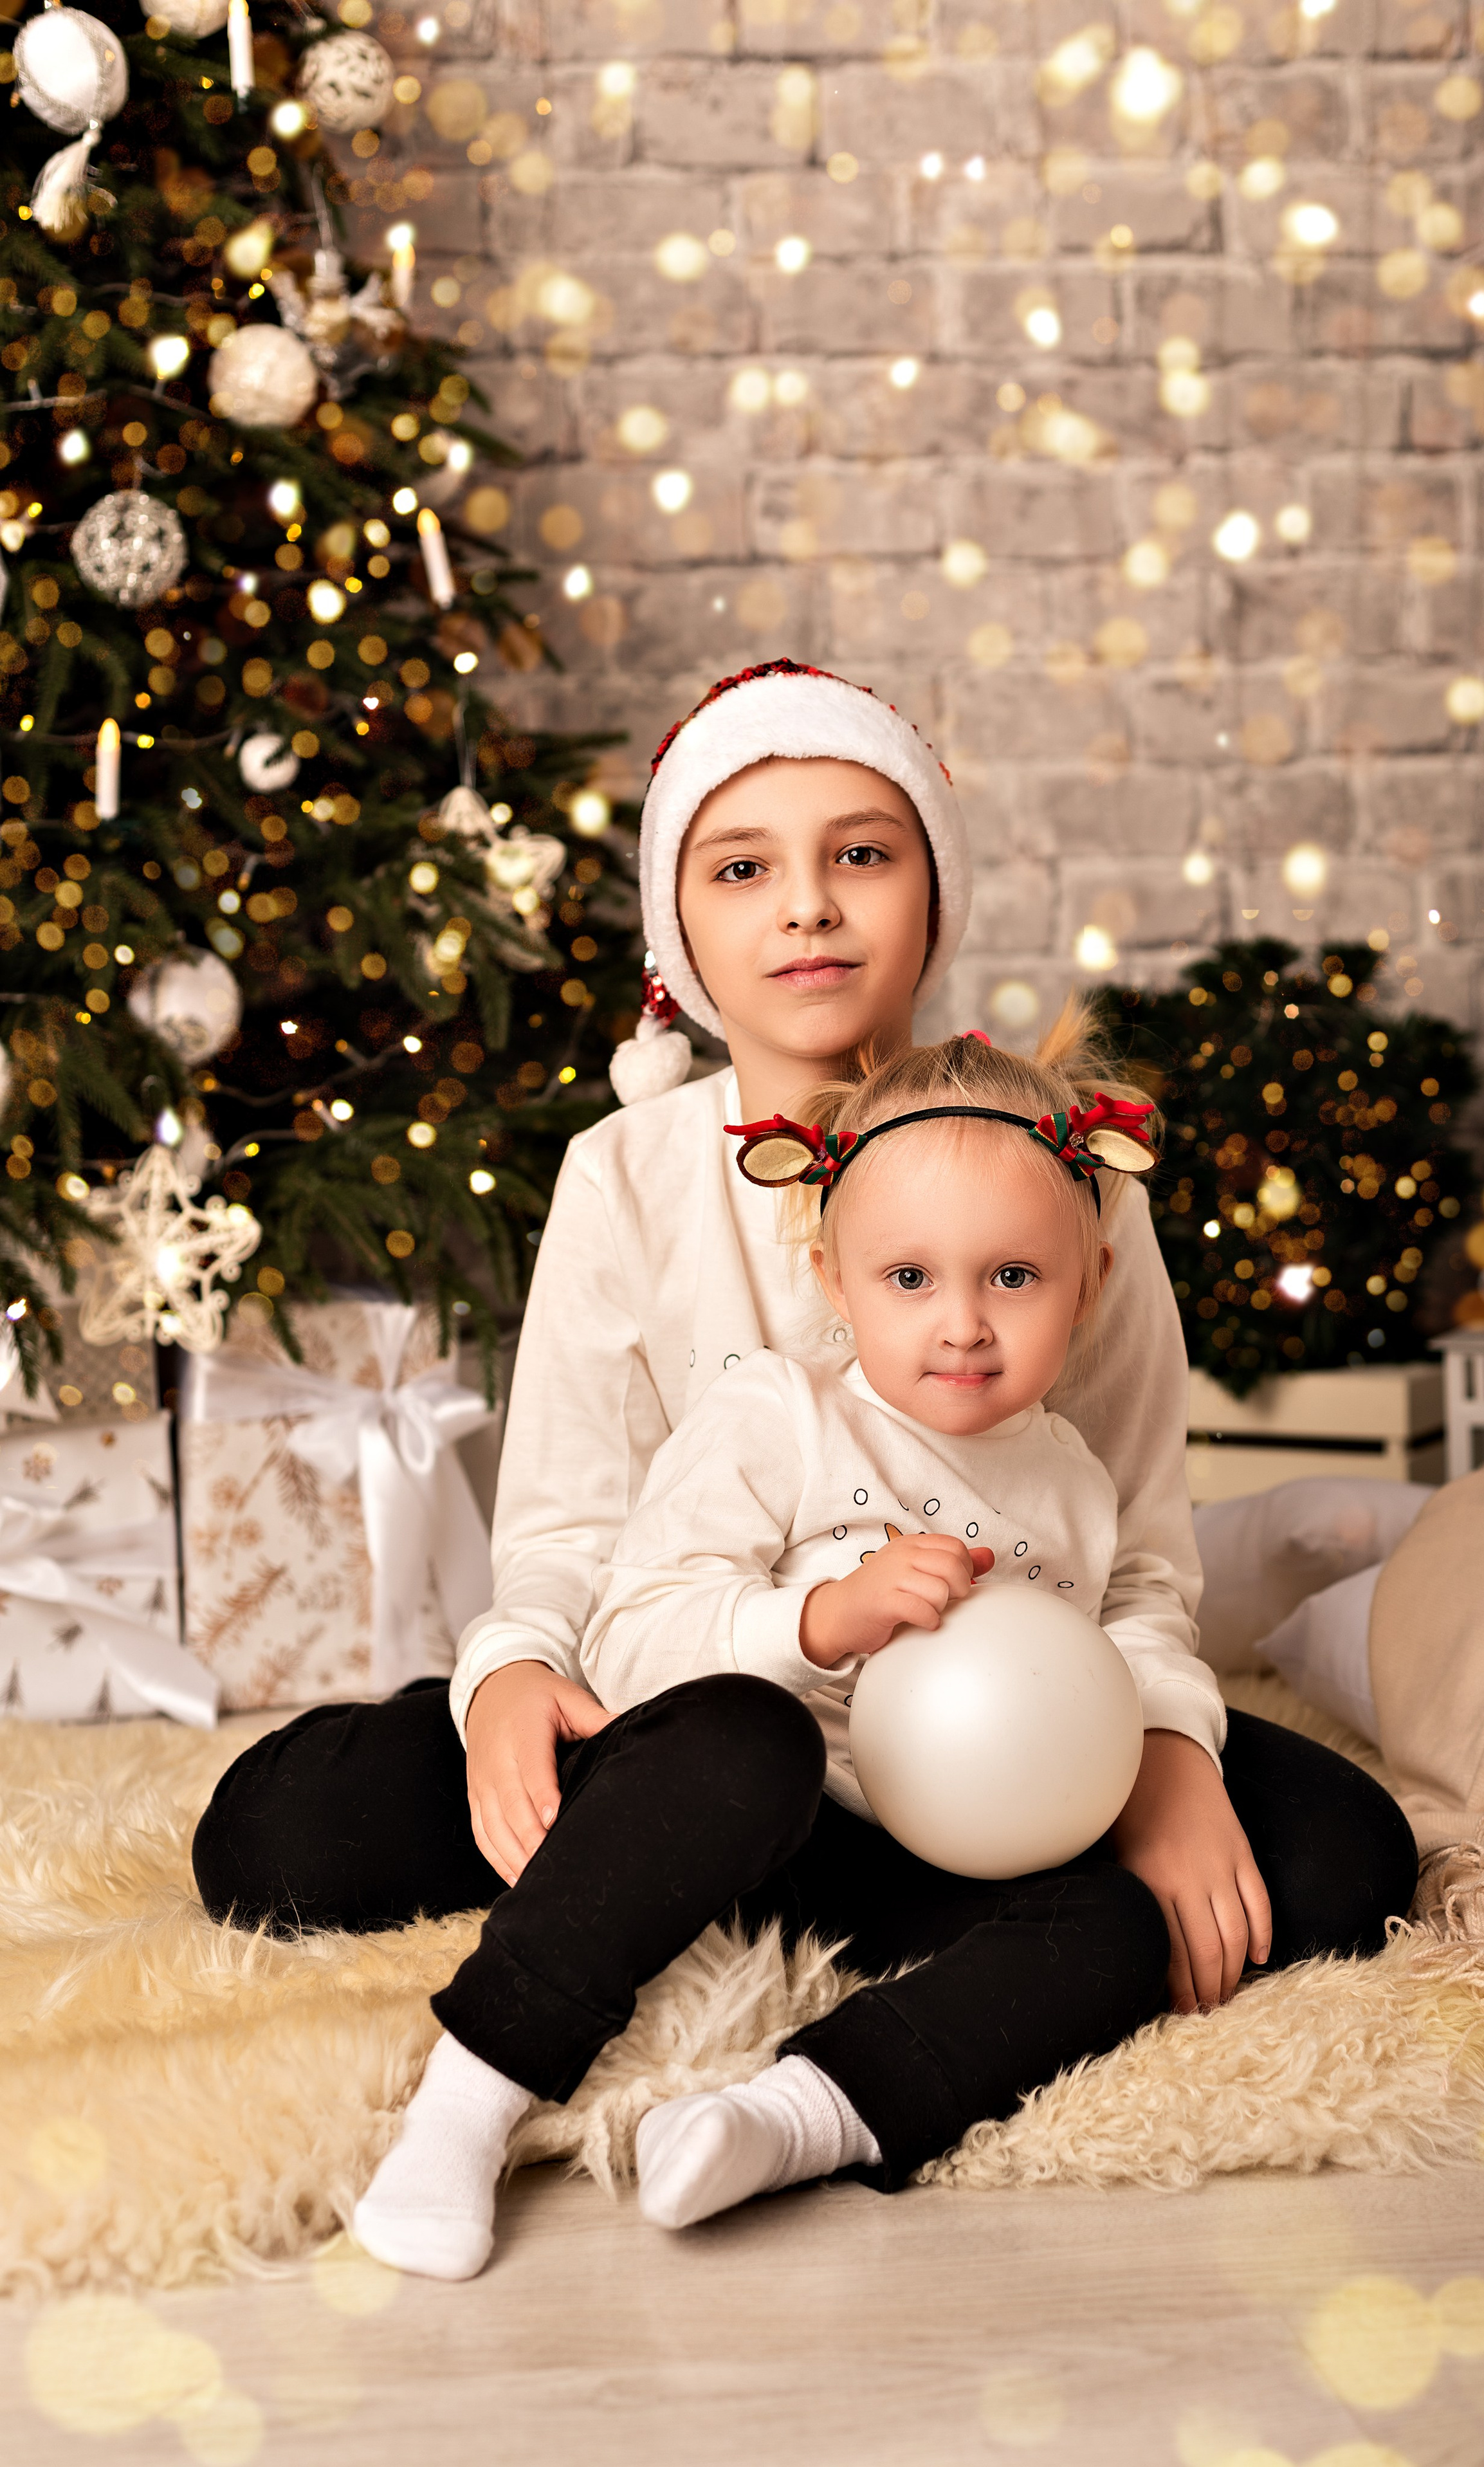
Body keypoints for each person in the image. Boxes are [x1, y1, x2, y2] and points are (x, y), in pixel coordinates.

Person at [188, 658, 1416, 2274]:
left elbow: (1130, 1551)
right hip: (703, 1714)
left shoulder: (1068, 1180)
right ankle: (652, 1881)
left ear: (932, 894)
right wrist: (507, 1676)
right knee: (287, 1836)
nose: (807, 907)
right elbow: (566, 1526)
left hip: (982, 1759)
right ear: (678, 936)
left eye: (861, 853)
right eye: (741, 868)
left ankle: (818, 2070)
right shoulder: (624, 1177)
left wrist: (1165, 1757)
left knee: (1336, 1862)